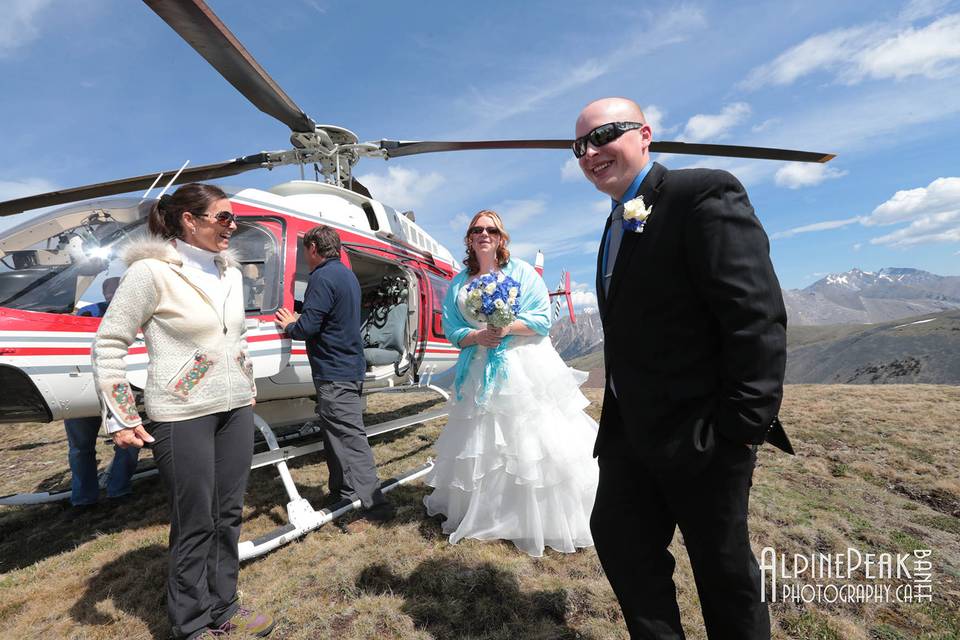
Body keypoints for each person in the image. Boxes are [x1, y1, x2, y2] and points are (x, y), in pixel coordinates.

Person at [575, 97, 792, 639]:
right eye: (580, 146)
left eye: (604, 135)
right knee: (621, 543)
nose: (591, 152)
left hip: (704, 436)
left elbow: (755, 317)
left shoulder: (701, 194)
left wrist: (741, 429)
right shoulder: (612, 224)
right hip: (630, 436)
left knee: (723, 573)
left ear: (645, 135)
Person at [91, 183, 274, 640]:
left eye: (234, 219)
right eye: (224, 218)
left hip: (234, 411)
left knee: (229, 514)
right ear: (190, 220)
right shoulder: (151, 273)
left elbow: (237, 338)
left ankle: (225, 605)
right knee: (196, 520)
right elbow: (109, 344)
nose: (233, 227)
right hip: (181, 412)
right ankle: (191, 622)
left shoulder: (228, 273)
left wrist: (246, 385)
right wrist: (121, 415)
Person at [421, 210, 599, 557]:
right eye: (476, 230)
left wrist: (505, 329)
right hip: (478, 367)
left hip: (523, 367)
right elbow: (452, 329)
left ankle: (539, 516)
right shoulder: (459, 283)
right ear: (469, 239)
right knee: (484, 443)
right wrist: (476, 335)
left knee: (529, 440)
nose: (483, 234)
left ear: (501, 237)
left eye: (491, 229)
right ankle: (491, 512)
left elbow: (541, 320)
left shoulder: (521, 273)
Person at [275, 225, 395, 522]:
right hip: (348, 369)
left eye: (305, 249)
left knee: (350, 439)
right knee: (336, 436)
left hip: (334, 373)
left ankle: (375, 506)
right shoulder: (344, 275)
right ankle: (343, 492)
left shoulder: (321, 277)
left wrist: (291, 324)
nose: (305, 255)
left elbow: (307, 328)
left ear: (313, 247)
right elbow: (327, 312)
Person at [67, 277, 139, 507]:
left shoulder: (136, 313)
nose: (112, 296)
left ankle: (119, 489)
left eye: (116, 291)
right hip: (82, 387)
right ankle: (83, 498)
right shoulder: (89, 313)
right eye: (109, 292)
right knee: (80, 448)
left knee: (127, 441)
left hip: (116, 387)